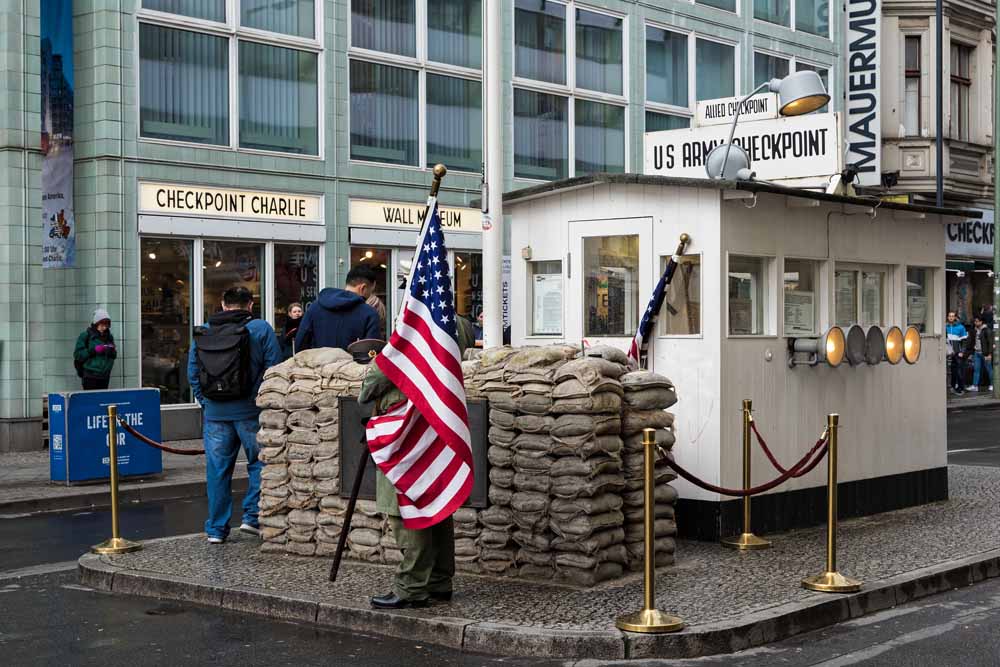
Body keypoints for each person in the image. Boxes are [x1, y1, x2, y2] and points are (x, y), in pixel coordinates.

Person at [359, 320, 475, 609]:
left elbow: (373, 381)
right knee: (435, 503)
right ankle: (438, 581)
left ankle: (411, 586)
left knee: (405, 509)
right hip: (434, 422)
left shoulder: (419, 324)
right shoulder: (452, 323)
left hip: (405, 429)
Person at [188, 286, 281, 544]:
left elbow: (192, 373)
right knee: (261, 462)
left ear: (223, 303)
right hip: (252, 413)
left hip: (215, 415)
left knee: (217, 471)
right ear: (250, 305)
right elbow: (274, 369)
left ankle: (216, 530)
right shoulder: (261, 329)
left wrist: (207, 403)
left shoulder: (204, 330)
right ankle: (251, 517)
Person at [295, 265, 381, 352]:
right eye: (370, 291)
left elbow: (300, 343)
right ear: (363, 288)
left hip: (317, 364)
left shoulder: (315, 306)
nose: (370, 295)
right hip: (351, 365)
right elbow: (371, 352)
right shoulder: (370, 313)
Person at [74, 308, 117, 390]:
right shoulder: (85, 335)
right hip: (90, 376)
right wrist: (93, 350)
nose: (104, 328)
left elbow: (114, 355)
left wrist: (111, 351)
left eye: (106, 325)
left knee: (102, 401)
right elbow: (78, 355)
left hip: (105, 375)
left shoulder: (109, 337)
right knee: (90, 400)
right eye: (102, 325)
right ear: (96, 323)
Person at [966, 315, 994, 392]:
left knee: (989, 369)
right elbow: (971, 341)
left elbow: (990, 343)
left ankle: (992, 385)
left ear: (981, 322)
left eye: (977, 321)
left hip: (985, 353)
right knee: (976, 370)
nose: (976, 323)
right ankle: (975, 386)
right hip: (976, 353)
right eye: (975, 321)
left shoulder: (986, 330)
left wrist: (989, 354)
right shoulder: (974, 330)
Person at [946, 311, 969, 394]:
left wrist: (962, 352)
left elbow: (964, 341)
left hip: (958, 353)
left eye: (952, 316)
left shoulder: (961, 327)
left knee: (959, 371)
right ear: (948, 317)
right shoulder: (945, 327)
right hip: (949, 353)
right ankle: (952, 387)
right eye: (949, 316)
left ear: (955, 317)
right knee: (952, 371)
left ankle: (961, 388)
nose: (951, 317)